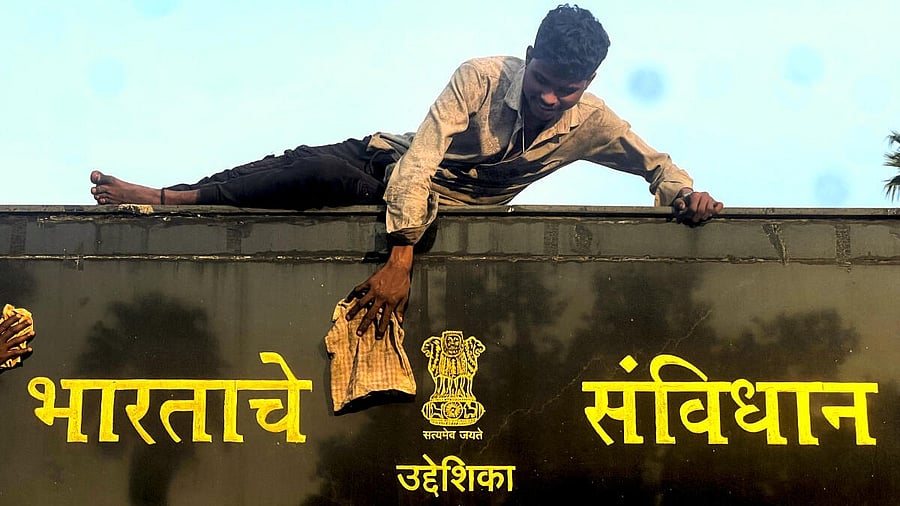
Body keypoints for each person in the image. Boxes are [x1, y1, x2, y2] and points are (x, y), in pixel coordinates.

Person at [90, 5, 723, 339]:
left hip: (446, 204)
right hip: (385, 163)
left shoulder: (594, 120)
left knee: (323, 174)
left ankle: (176, 194)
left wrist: (686, 195)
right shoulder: (479, 77)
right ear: (529, 57)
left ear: (589, 81)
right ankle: (174, 196)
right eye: (543, 82)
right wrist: (399, 261)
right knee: (310, 167)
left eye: (569, 89)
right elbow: (418, 163)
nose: (552, 98)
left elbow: (657, 167)